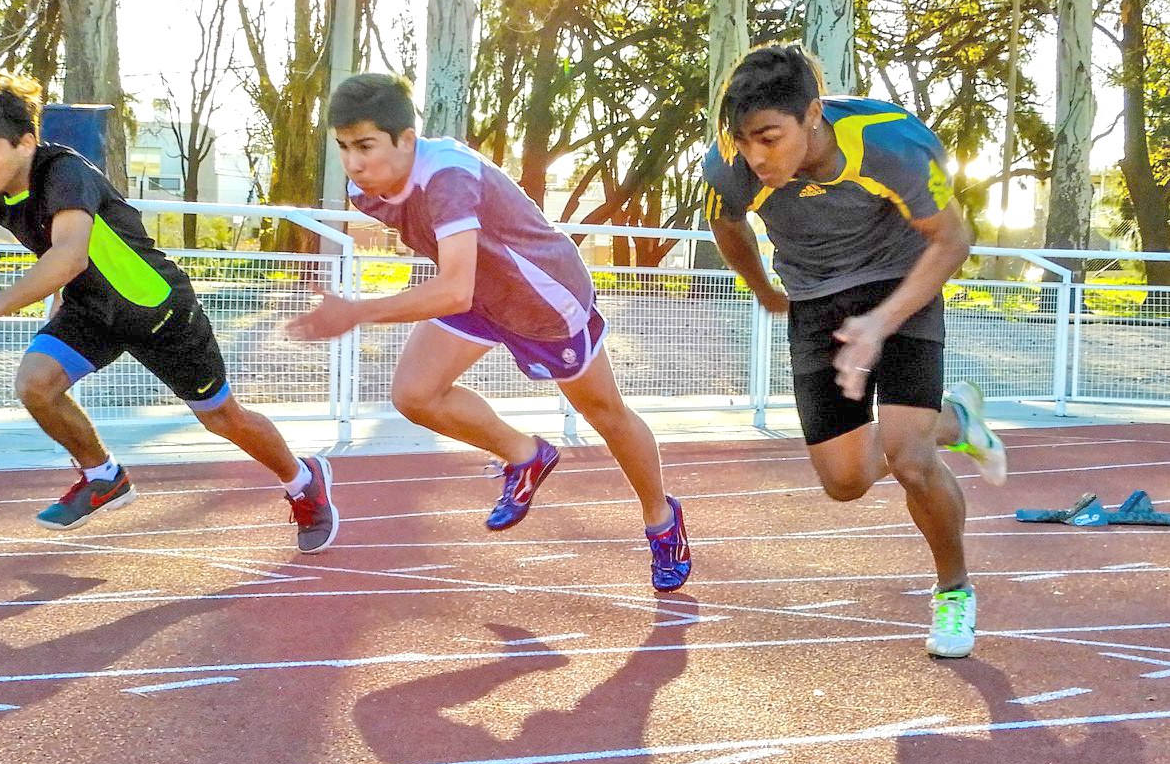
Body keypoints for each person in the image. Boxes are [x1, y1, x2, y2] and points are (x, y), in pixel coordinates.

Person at [286, 72, 690, 592]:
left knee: (604, 413)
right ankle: (526, 455)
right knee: (415, 393)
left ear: (407, 139)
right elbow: (454, 272)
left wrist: (357, 312)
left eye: (366, 146)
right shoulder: (366, 188)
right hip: (479, 290)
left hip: (543, 299)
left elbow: (452, 289)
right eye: (343, 147)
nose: (354, 162)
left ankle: (662, 521)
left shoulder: (449, 177)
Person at [0, 71, 340, 552]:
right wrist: (59, 307)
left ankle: (303, 481)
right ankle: (103, 476)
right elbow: (56, 255)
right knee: (35, 385)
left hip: (157, 310)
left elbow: (69, 254)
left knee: (222, 417)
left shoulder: (64, 172)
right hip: (91, 312)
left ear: (26, 142)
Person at [703, 42, 1008, 658]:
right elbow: (726, 226)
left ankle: (953, 591)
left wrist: (879, 323)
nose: (756, 156)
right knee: (843, 483)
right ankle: (958, 419)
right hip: (814, 297)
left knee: (910, 460)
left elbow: (953, 238)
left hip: (902, 282)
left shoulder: (892, 143)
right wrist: (765, 290)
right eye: (742, 139)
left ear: (812, 114)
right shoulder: (729, 167)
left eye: (769, 137)